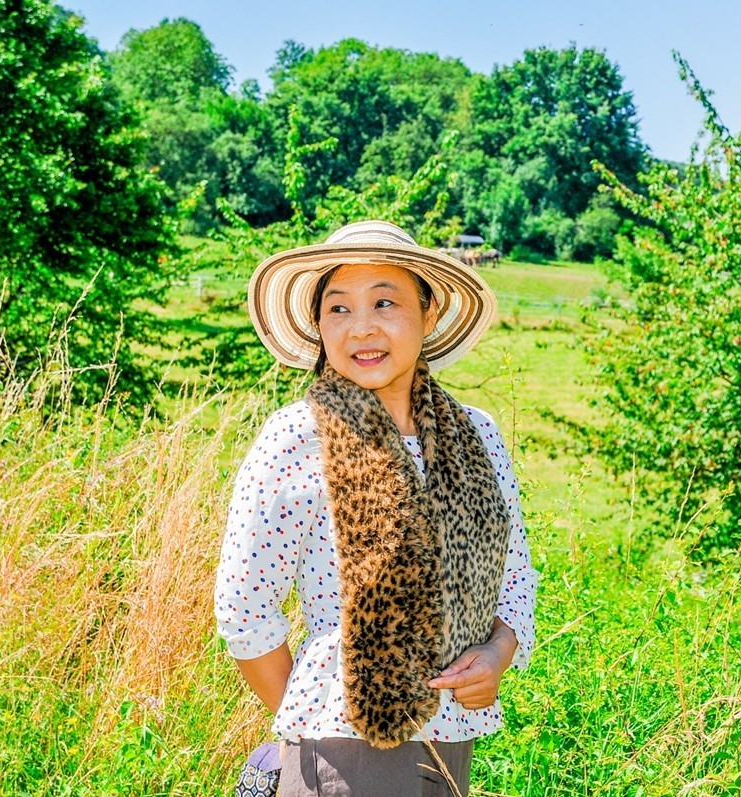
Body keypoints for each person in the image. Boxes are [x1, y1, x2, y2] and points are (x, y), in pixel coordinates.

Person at [215, 220, 538, 796]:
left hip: (451, 741)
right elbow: (245, 608)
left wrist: (496, 654)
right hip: (345, 753)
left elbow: (514, 576)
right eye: (338, 309)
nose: (361, 328)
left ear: (429, 312)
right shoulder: (298, 437)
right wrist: (323, 711)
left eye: (384, 302)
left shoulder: (478, 436)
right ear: (317, 325)